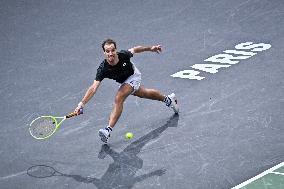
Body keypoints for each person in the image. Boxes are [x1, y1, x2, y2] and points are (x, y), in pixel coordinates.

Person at [74, 39, 179, 143]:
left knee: (119, 98)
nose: (111, 53)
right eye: (107, 51)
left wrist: (150, 48)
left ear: (116, 50)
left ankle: (108, 130)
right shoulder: (103, 69)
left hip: (134, 76)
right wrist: (81, 104)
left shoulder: (123, 55)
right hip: (124, 82)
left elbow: (136, 49)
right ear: (104, 52)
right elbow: (93, 88)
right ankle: (168, 100)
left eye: (113, 50)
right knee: (144, 93)